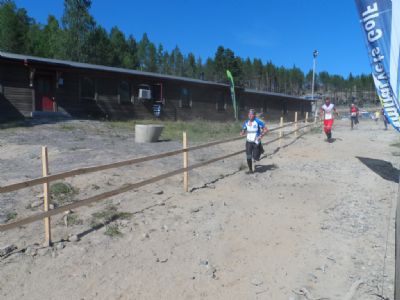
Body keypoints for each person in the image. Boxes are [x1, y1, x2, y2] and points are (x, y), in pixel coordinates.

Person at [240, 109, 268, 174]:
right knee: (248, 156)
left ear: (254, 115)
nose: (250, 115)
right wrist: (242, 132)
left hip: (256, 141)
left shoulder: (258, 122)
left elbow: (266, 130)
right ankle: (250, 170)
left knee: (255, 157)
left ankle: (260, 149)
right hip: (248, 142)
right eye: (249, 114)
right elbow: (243, 130)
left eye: (251, 114)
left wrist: (261, 136)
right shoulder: (246, 122)